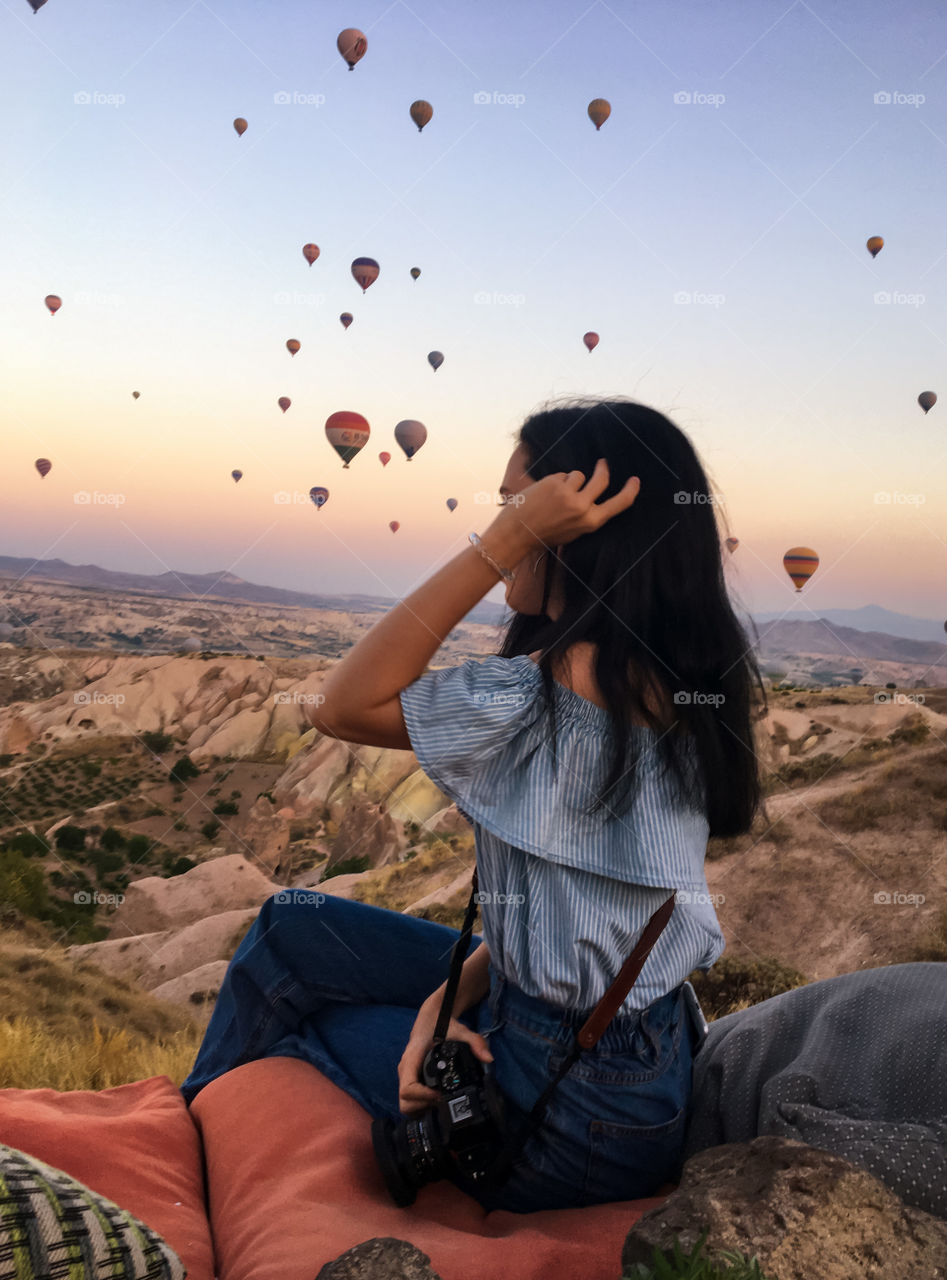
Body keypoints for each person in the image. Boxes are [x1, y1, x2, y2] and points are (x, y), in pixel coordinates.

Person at [180, 398, 765, 1214]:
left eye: (516, 503)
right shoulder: (690, 683)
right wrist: (437, 1005)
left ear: (575, 525)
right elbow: (587, 920)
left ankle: (187, 1158)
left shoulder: (538, 693)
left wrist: (500, 546)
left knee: (296, 1032)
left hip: (565, 1117)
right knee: (295, 921)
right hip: (637, 1062)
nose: (506, 519)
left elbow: (342, 704)